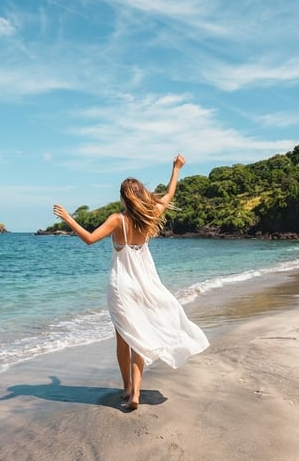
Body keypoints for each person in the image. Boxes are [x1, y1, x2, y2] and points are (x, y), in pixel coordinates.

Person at [53, 154, 209, 410]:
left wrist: (68, 218)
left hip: (121, 287)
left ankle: (126, 388)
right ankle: (135, 392)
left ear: (124, 197)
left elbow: (90, 239)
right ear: (141, 195)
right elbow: (168, 196)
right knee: (140, 337)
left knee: (123, 339)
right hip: (146, 286)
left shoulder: (118, 220)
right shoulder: (148, 217)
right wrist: (176, 169)